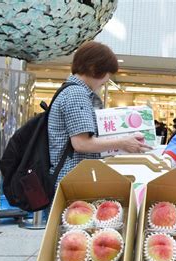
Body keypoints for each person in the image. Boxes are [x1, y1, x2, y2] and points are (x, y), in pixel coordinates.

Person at [48, 41, 152, 186]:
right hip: (74, 179)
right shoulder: (77, 93)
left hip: (72, 178)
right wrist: (123, 142)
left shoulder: (70, 90)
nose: (107, 79)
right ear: (94, 68)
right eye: (107, 72)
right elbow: (81, 144)